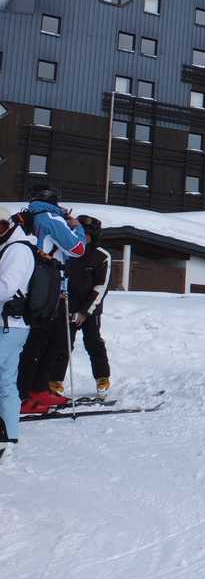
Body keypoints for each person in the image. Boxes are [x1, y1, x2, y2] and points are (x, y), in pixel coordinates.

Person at [17, 181, 85, 413]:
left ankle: (37, 388)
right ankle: (25, 395)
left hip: (34, 284)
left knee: (52, 339)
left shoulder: (28, 217)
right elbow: (77, 249)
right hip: (49, 287)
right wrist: (77, 227)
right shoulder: (51, 219)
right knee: (40, 343)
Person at [50, 215, 112, 399]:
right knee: (62, 343)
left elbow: (100, 288)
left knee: (93, 342)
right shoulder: (66, 252)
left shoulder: (102, 256)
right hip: (67, 305)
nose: (80, 237)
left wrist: (85, 312)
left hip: (90, 308)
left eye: (84, 234)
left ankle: (102, 378)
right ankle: (55, 381)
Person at [0, 207, 37, 457]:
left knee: (5, 381)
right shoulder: (9, 248)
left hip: (9, 325)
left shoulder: (18, 250)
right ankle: (8, 439)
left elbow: (6, 286)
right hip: (10, 324)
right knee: (6, 381)